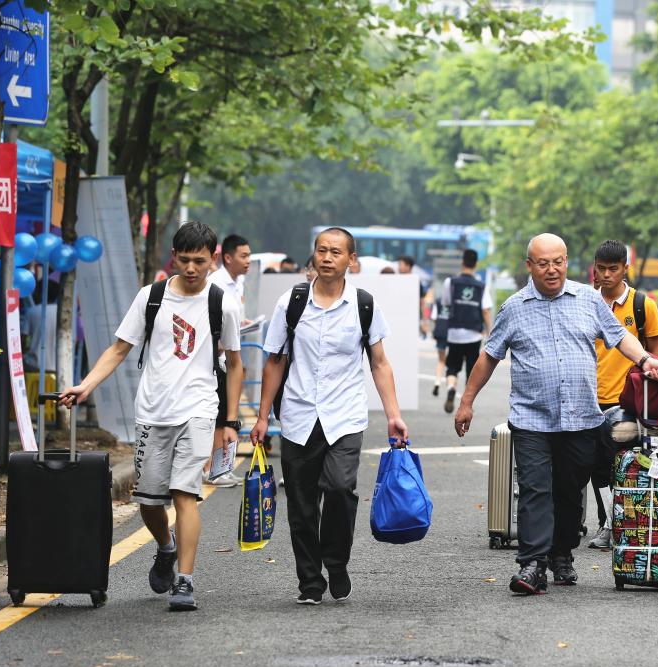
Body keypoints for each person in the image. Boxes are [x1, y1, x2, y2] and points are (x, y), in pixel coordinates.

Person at [453, 233, 658, 595]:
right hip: (531, 419)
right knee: (536, 489)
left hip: (582, 418)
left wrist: (647, 360)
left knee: (570, 492)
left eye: (558, 261)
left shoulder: (588, 299)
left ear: (567, 262)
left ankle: (561, 553)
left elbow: (620, 337)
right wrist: (467, 400)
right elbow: (489, 355)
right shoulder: (514, 307)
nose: (551, 269)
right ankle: (532, 563)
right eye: (543, 263)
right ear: (530, 266)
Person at [61, 221, 243, 611]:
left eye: (199, 261)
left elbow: (235, 363)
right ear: (173, 257)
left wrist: (229, 421)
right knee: (148, 501)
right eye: (184, 260)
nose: (191, 269)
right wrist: (86, 385)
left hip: (198, 409)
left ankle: (185, 580)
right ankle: (165, 547)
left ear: (213, 260)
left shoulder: (222, 302)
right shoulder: (152, 297)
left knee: (185, 495)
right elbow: (119, 349)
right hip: (153, 412)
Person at [250, 227, 409, 606]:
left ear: (350, 260)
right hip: (299, 414)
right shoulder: (292, 301)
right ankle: (310, 582)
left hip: (345, 416)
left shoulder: (363, 304)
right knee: (302, 504)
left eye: (336, 252)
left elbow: (380, 362)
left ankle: (336, 563)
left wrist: (393, 415)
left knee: (339, 489)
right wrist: (260, 418)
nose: (326, 258)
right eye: (321, 250)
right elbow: (275, 360)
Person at [588, 239, 658, 550]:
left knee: (625, 463)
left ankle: (621, 524)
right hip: (590, 400)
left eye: (613, 269)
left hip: (629, 402)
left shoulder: (642, 305)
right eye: (601, 269)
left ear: (625, 269)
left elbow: (657, 353)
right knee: (596, 466)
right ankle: (607, 521)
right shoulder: (585, 303)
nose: (606, 275)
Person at [205, 234, 252, 487]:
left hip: (229, 354)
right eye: (243, 256)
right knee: (220, 414)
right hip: (218, 358)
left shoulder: (238, 282)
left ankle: (221, 467)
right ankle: (213, 469)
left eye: (249, 256)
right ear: (227, 257)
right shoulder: (216, 284)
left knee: (227, 414)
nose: (248, 261)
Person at [441, 249, 493, 414]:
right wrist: (490, 332)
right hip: (473, 334)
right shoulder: (480, 286)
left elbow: (446, 303)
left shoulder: (450, 282)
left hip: (454, 332)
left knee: (452, 366)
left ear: (462, 262)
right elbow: (485, 310)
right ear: (476, 264)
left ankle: (450, 387)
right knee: (472, 369)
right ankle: (465, 402)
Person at [397, 255, 428, 338]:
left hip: (412, 317)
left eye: (400, 264)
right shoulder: (396, 281)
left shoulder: (416, 282)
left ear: (408, 266)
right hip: (398, 316)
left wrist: (424, 320)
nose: (398, 267)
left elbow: (422, 301)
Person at [431, 298, 450, 397]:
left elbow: (434, 317)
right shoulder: (455, 300)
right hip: (451, 333)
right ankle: (450, 386)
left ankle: (437, 382)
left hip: (440, 332)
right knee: (452, 363)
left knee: (441, 361)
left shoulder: (438, 301)